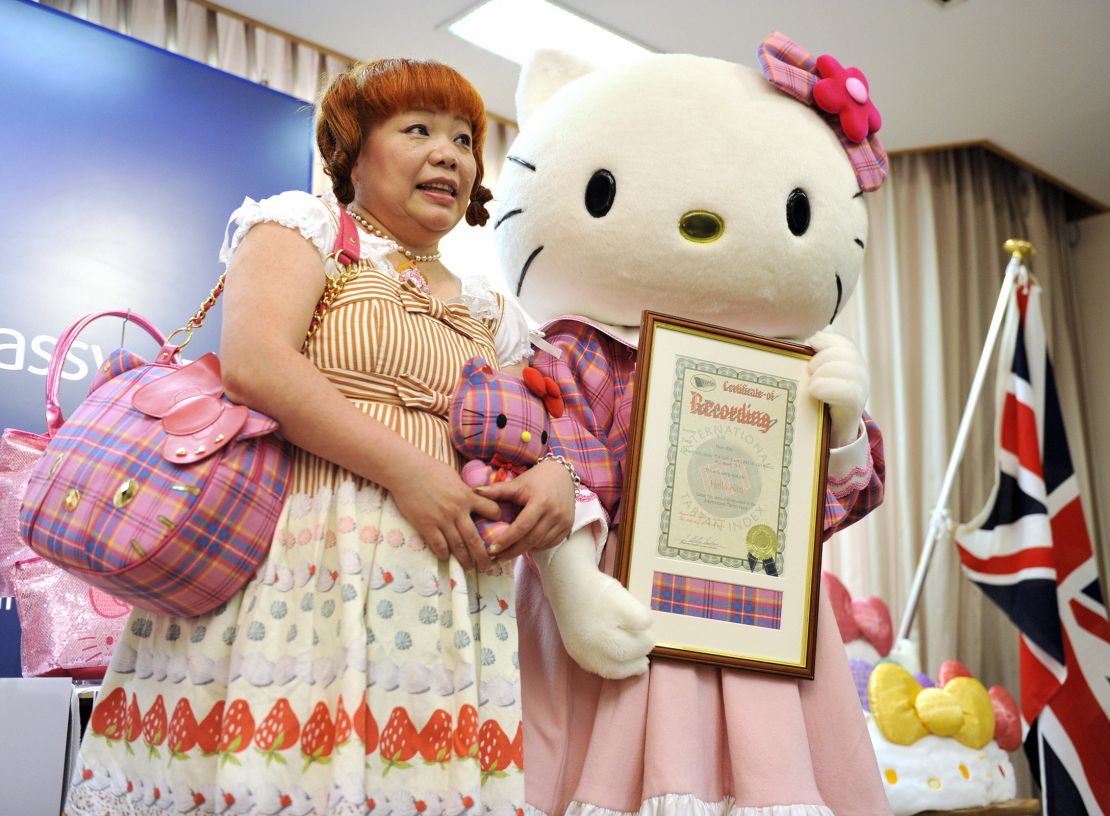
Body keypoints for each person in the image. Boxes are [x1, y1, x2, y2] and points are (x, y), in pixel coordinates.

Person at [65, 58, 576, 816]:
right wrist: (412, 471)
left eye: (465, 140)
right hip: (295, 564)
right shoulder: (303, 227)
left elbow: (541, 427)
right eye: (419, 130)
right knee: (269, 770)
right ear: (353, 152)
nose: (450, 154)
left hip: (439, 595)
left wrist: (558, 475)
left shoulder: (491, 308)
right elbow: (255, 364)